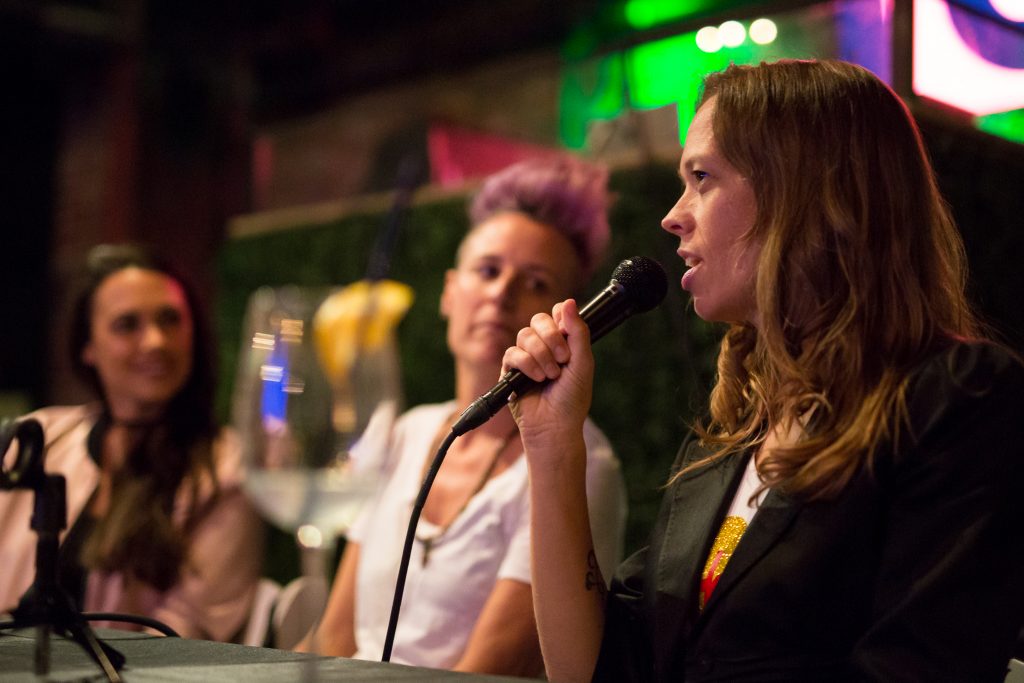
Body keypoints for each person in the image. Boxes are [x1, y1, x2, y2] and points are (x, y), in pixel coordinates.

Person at [506, 59, 1024, 682]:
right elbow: (598, 671)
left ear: (806, 190)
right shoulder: (735, 430)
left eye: (702, 178)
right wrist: (552, 445)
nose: (673, 215)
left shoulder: (958, 395)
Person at [303, 156, 627, 675]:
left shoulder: (577, 459)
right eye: (488, 271)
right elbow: (334, 638)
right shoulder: (402, 432)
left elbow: (485, 672)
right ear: (449, 292)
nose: (501, 294)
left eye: (536, 282)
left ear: (568, 320)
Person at [0, 244, 263, 642]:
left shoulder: (225, 468)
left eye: (170, 320)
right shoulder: (41, 436)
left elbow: (187, 636)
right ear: (87, 347)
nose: (156, 341)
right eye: (127, 325)